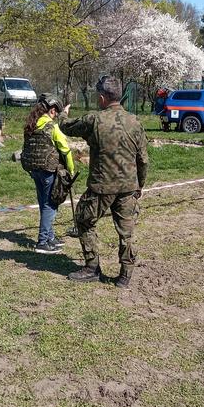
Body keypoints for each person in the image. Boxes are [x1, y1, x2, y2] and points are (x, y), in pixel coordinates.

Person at [60, 76, 149, 288]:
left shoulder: (94, 120)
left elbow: (65, 127)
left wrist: (63, 112)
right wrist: (139, 185)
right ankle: (125, 275)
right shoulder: (135, 121)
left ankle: (92, 267)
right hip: (128, 187)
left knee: (83, 219)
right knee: (126, 232)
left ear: (101, 98)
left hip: (101, 186)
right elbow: (143, 160)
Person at [21, 94, 75, 254]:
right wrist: (70, 170)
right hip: (48, 171)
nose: (57, 116)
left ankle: (50, 237)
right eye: (56, 113)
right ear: (52, 111)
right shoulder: (52, 127)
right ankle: (42, 241)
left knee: (44, 203)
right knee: (50, 205)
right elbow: (65, 149)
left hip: (34, 170)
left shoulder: (31, 125)